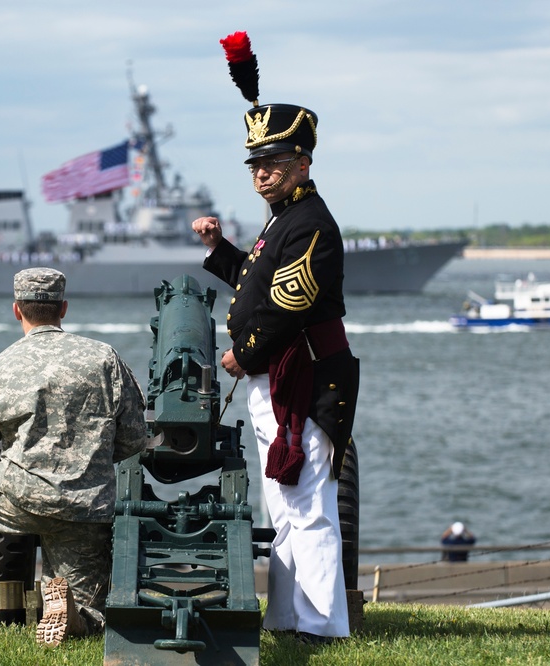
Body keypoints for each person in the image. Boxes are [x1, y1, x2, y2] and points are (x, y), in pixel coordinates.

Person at [190, 31, 360, 643]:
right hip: (281, 379)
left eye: (275, 164)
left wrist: (244, 354)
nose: (263, 173)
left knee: (308, 505)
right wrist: (219, 251)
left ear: (303, 165)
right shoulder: (283, 222)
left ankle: (320, 625)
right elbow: (258, 285)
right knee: (283, 508)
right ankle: (289, 618)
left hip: (305, 379)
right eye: (258, 165)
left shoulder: (311, 224)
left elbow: (290, 305)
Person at [0, 267, 147, 647]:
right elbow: (135, 439)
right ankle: (71, 614)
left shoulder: (1, 366)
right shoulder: (104, 358)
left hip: (21, 500)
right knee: (93, 613)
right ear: (64, 309)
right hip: (87, 506)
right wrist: (92, 457)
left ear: (17, 310)